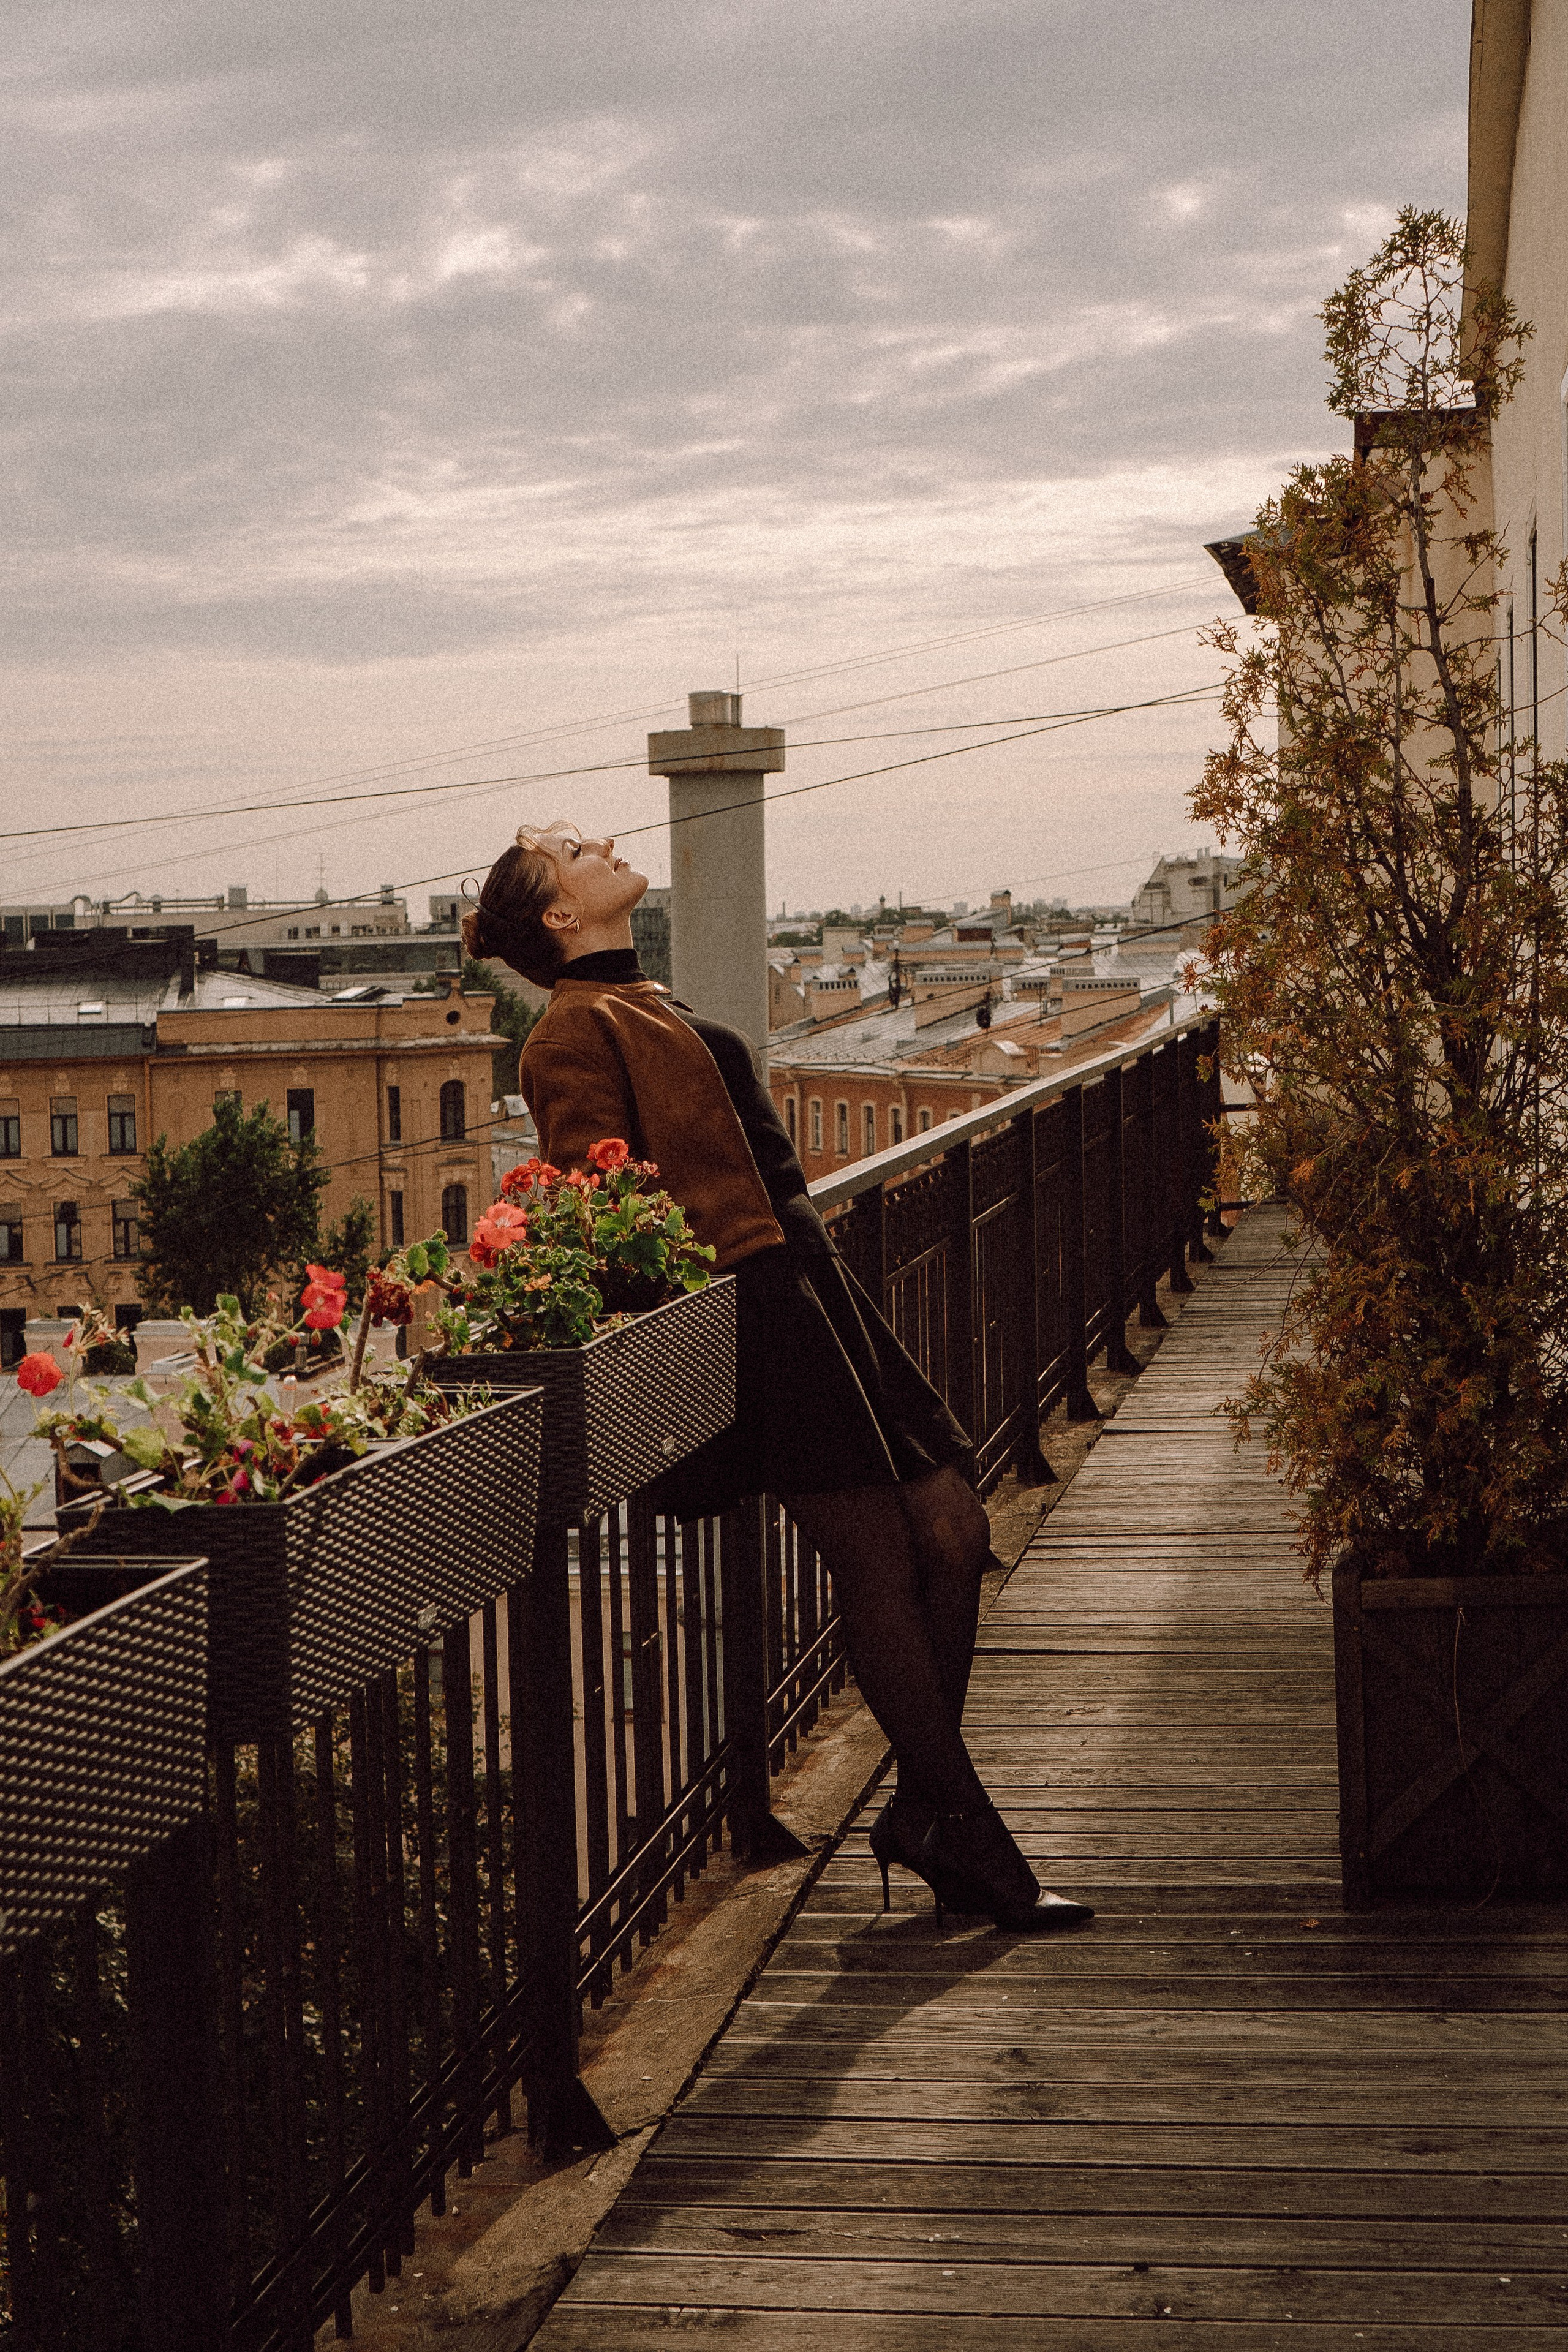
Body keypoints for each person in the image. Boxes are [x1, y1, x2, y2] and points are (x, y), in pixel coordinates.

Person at [462, 819, 1091, 1932]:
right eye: (572, 849)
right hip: (752, 1310)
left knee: (954, 1530)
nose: (601, 842)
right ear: (560, 917)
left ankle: (922, 1814)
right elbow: (605, 1206)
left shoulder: (636, 999)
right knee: (880, 1562)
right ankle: (973, 1837)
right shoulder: (565, 1035)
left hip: (810, 1287)